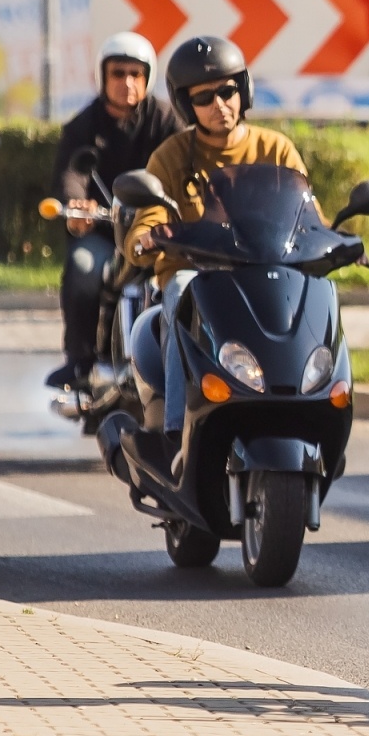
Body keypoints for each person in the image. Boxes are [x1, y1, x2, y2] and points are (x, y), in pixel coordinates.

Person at [120, 36, 312, 469]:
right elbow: (148, 217)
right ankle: (177, 439)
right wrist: (147, 238)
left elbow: (307, 211)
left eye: (227, 91)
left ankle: (311, 406)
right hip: (197, 274)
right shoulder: (171, 156)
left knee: (308, 293)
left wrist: (333, 240)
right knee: (184, 292)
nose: (219, 104)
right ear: (187, 106)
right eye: (204, 97)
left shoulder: (276, 148)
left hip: (265, 272)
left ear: (243, 90)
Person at [45, 32, 185, 389]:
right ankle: (79, 361)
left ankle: (193, 360)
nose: (127, 82)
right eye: (118, 73)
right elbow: (71, 175)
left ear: (148, 77)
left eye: (136, 74)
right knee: (82, 268)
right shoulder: (82, 126)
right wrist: (77, 206)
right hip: (105, 231)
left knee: (192, 279)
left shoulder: (167, 121)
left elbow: (188, 168)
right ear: (102, 76)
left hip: (159, 231)